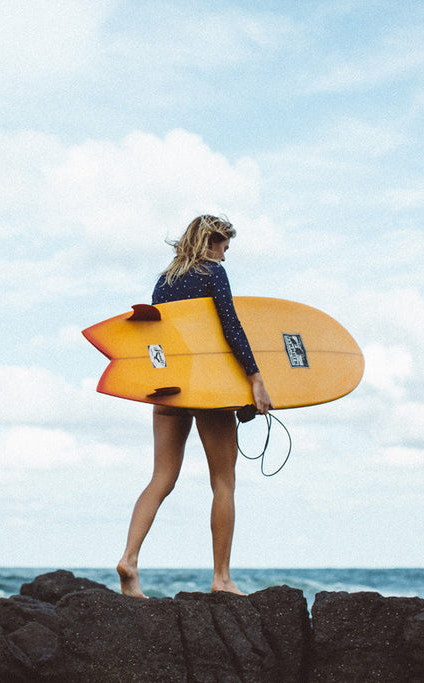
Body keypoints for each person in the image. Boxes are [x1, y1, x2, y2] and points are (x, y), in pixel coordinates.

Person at [116, 214, 273, 598]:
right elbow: (229, 327)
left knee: (161, 478)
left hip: (168, 389)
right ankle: (221, 578)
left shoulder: (165, 280)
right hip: (205, 390)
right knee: (223, 481)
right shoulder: (211, 273)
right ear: (212, 243)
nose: (225, 256)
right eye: (225, 248)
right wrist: (254, 379)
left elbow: (160, 339)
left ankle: (129, 560)